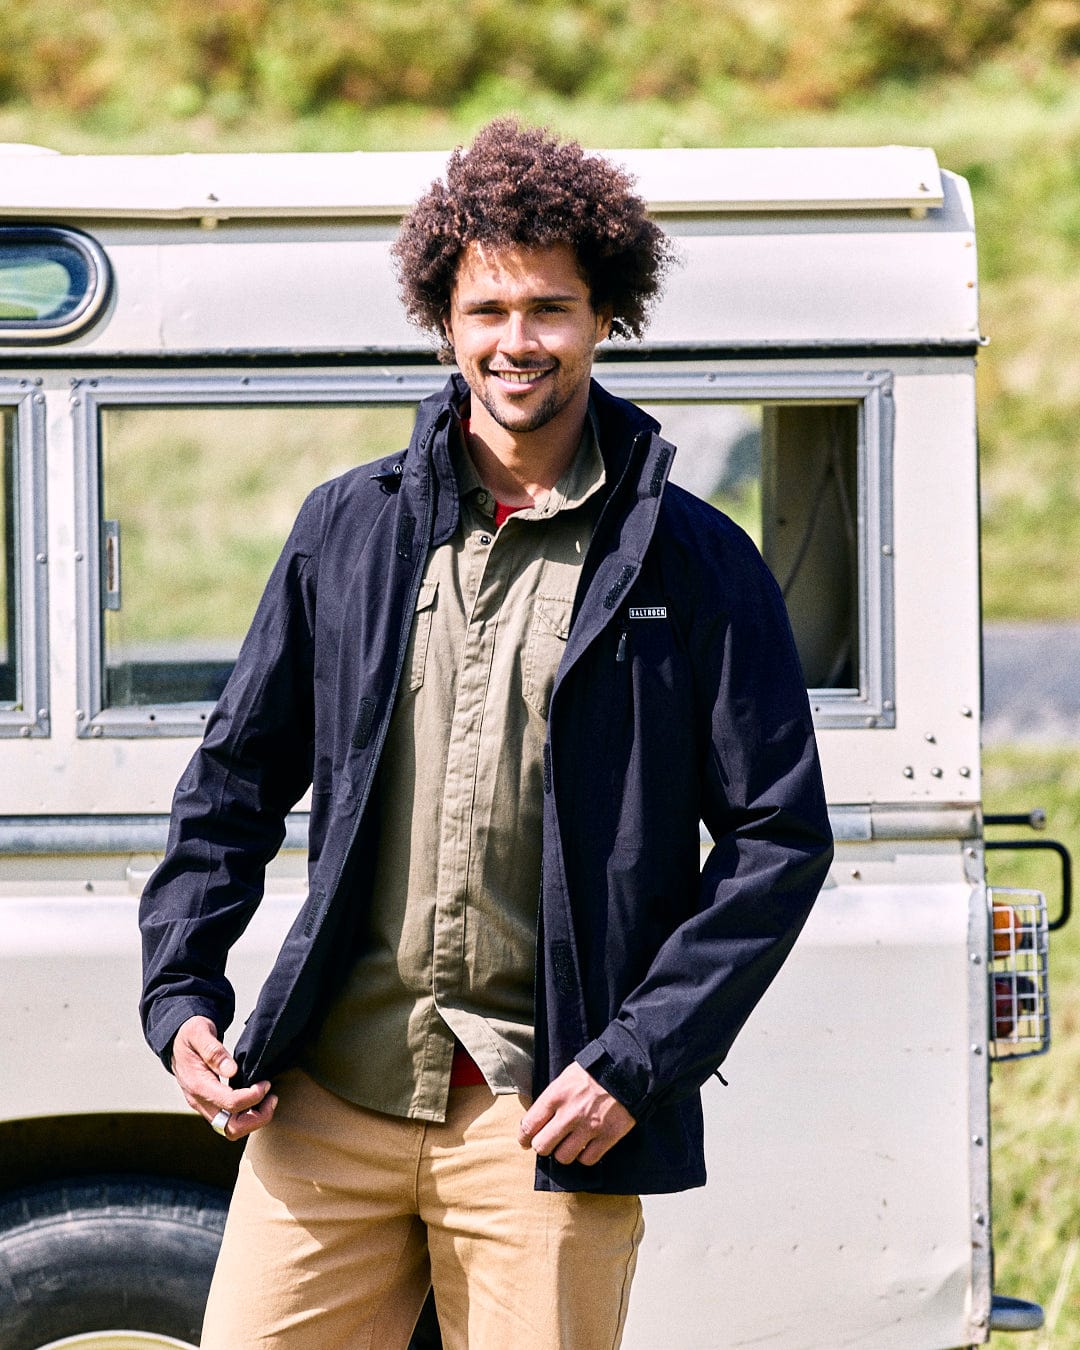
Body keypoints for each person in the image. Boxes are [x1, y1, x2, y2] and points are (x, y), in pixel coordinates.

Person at [139, 119, 833, 1350]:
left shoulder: (694, 558)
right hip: (326, 1099)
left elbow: (781, 838)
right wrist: (182, 990)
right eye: (489, 310)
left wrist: (637, 1060)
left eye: (551, 309)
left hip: (544, 1117)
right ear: (444, 320)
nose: (519, 343)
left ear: (606, 314)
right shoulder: (346, 528)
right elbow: (234, 782)